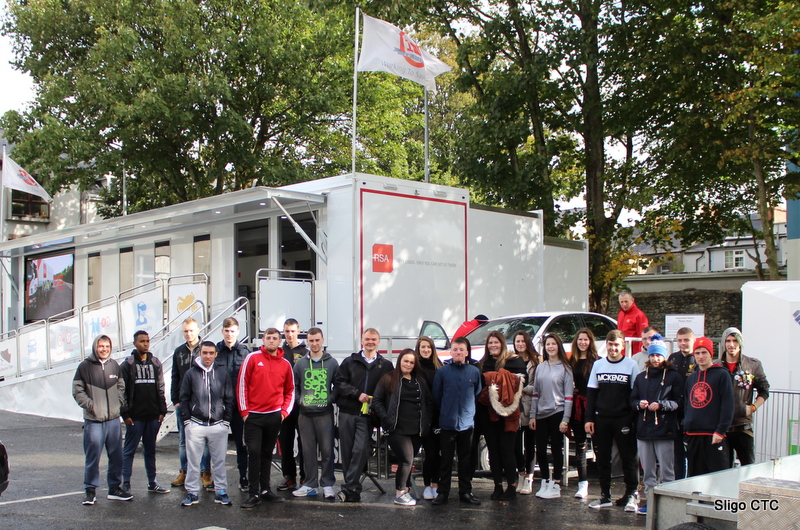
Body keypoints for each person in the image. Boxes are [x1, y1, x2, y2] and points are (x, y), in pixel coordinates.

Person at [238, 328, 295, 509]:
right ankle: (253, 492)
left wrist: (283, 412)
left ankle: (265, 490)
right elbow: (242, 384)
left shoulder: (285, 364)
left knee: (267, 454)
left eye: (275, 338)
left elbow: (290, 390)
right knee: (254, 452)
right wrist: (245, 412)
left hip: (274, 417)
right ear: (263, 340)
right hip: (253, 416)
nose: (271, 340)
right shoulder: (252, 358)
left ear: (279, 341)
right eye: (268, 337)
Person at [334, 328, 393, 502]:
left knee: (360, 450)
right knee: (346, 453)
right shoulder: (349, 362)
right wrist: (356, 393)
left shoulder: (386, 366)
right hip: (347, 412)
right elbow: (339, 383)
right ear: (362, 340)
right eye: (367, 339)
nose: (370, 342)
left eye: (373, 339)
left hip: (367, 416)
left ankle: (349, 488)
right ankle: (352, 491)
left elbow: (389, 390)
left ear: (379, 342)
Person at [72, 335, 130, 504]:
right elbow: (77, 390)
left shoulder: (114, 366)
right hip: (94, 421)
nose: (104, 349)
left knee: (116, 456)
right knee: (93, 457)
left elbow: (121, 386)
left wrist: (118, 402)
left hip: (113, 420)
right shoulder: (84, 367)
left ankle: (114, 488)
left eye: (107, 346)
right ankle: (90, 490)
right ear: (95, 347)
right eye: (101, 346)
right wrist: (91, 405)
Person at [586, 330, 639, 512]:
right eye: (610, 344)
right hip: (601, 419)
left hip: (623, 419)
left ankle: (632, 494)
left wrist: (631, 419)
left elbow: (635, 394)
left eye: (616, 344)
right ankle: (605, 495)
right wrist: (589, 418)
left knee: (628, 458)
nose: (613, 348)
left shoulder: (631, 365)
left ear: (623, 345)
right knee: (603, 459)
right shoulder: (598, 365)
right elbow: (591, 394)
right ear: (606, 345)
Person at [630, 334, 683, 516]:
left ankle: (669, 503)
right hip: (644, 429)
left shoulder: (674, 377)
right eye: (652, 355)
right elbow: (632, 400)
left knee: (667, 471)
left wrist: (662, 405)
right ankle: (650, 502)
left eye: (659, 355)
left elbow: (679, 402)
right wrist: (639, 404)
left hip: (665, 429)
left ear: (664, 357)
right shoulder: (640, 377)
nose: (655, 359)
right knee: (648, 471)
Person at [372, 349, 434, 506]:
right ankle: (400, 494)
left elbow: (428, 401)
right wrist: (386, 418)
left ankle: (406, 490)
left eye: (412, 362)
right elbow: (377, 400)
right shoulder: (389, 378)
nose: (408, 364)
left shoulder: (419, 381)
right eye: (405, 361)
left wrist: (427, 421)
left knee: (408, 460)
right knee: (406, 459)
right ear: (399, 361)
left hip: (417, 428)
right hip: (397, 428)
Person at [179, 341, 235, 507]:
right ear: (200, 353)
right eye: (205, 352)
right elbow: (184, 398)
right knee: (193, 461)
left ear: (216, 354)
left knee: (219, 461)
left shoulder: (222, 373)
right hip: (196, 424)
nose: (208, 356)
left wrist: (226, 422)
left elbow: (229, 398)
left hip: (218, 425)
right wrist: (187, 421)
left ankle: (221, 491)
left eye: (211, 353)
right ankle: (192, 492)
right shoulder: (190, 374)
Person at [432, 336, 482, 506]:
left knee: (465, 460)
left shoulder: (474, 372)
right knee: (446, 460)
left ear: (467, 352)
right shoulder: (442, 372)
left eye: (461, 350)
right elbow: (437, 396)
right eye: (455, 349)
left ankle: (465, 492)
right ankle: (443, 492)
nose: (458, 352)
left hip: (467, 424)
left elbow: (477, 394)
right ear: (451, 352)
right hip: (447, 423)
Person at [477, 330, 526, 501]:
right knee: (493, 450)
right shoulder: (483, 363)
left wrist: (495, 379)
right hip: (488, 413)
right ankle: (497, 486)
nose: (493, 345)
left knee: (507, 450)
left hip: (509, 414)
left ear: (502, 344)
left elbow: (521, 382)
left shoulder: (514, 361)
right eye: (490, 343)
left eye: (496, 342)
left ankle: (511, 487)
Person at [291, 327, 339, 500]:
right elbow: (294, 387)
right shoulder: (300, 364)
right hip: (305, 415)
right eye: (311, 341)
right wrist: (300, 401)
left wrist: (329, 399)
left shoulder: (332, 363)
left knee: (327, 451)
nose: (314, 343)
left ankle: (327, 484)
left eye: (317, 340)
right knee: (308, 451)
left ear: (322, 340)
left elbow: (338, 385)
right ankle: (310, 484)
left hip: (324, 414)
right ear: (307, 342)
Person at [120, 331, 169, 495]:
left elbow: (161, 387)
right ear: (135, 343)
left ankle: (152, 482)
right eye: (142, 341)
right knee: (129, 450)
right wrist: (125, 414)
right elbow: (121, 391)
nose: (145, 344)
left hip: (153, 416)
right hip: (135, 417)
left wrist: (162, 410)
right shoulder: (127, 365)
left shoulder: (155, 363)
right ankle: (126, 483)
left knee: (150, 450)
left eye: (147, 341)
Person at [718, 327, 770, 467]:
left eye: (735, 341)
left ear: (740, 342)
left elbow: (764, 390)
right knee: (722, 470)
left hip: (743, 426)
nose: (731, 344)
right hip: (721, 427)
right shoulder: (716, 366)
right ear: (724, 343)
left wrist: (753, 407)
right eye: (728, 341)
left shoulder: (752, 365)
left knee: (748, 468)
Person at [530, 333, 574, 499]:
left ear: (558, 346)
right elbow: (535, 393)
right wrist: (533, 415)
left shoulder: (566, 368)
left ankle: (556, 483)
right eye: (548, 344)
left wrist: (565, 419)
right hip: (541, 413)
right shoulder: (540, 367)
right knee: (540, 450)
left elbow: (569, 396)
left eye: (553, 344)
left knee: (556, 449)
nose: (550, 347)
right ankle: (545, 480)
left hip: (558, 411)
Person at [684, 337, 734, 476]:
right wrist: (686, 427)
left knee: (717, 477)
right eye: (697, 353)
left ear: (711, 354)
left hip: (713, 435)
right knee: (695, 477)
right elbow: (687, 404)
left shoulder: (722, 375)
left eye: (704, 352)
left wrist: (720, 430)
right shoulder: (691, 378)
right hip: (693, 435)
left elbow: (727, 404)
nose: (700, 356)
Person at [171, 318, 210, 489]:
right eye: (186, 331)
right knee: (183, 439)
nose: (189, 334)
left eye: (191, 330)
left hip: (202, 402)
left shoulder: (206, 350)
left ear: (198, 330)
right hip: (184, 403)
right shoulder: (179, 352)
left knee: (205, 440)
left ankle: (205, 472)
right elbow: (175, 376)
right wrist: (175, 400)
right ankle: (184, 472)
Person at [215, 317, 250, 492]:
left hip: (238, 407)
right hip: (218, 407)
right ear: (222, 331)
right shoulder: (215, 351)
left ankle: (243, 477)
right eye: (227, 331)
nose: (229, 334)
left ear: (238, 332)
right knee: (216, 446)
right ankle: (215, 479)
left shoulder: (245, 353)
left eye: (233, 331)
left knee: (241, 445)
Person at [277, 318, 308, 492]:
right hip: (283, 405)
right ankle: (289, 477)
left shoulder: (305, 352)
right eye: (287, 331)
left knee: (303, 442)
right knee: (285, 441)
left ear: (298, 331)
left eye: (292, 331)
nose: (289, 334)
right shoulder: (279, 352)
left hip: (302, 404)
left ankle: (304, 477)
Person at [667, 326, 697, 480]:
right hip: (676, 412)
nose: (682, 343)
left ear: (693, 340)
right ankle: (678, 483)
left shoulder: (698, 358)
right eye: (679, 340)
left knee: (693, 453)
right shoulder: (672, 358)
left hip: (694, 412)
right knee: (677, 453)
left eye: (686, 340)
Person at [415, 336, 442, 501]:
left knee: (436, 454)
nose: (426, 350)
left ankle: (435, 485)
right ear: (418, 349)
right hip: (421, 417)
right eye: (423, 347)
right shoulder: (415, 368)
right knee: (429, 453)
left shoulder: (440, 367)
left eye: (428, 347)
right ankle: (427, 486)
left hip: (438, 417)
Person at [515, 331, 540, 495]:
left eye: (523, 341)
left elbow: (538, 386)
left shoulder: (536, 362)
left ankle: (529, 478)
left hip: (531, 407)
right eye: (517, 341)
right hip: (515, 408)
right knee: (515, 445)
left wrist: (522, 389)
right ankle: (521, 474)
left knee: (530, 445)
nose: (520, 344)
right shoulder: (511, 360)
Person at [617, 291, 649, 355]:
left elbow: (642, 335)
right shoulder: (621, 314)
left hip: (633, 351)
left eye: (626, 301)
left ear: (632, 300)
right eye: (621, 302)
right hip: (622, 350)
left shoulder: (639, 315)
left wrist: (640, 353)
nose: (624, 304)